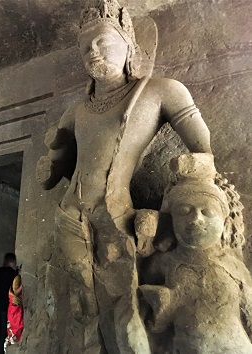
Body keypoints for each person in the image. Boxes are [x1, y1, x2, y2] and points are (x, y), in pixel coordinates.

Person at [36, 0, 212, 352]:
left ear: (129, 45)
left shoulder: (161, 91)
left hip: (114, 214)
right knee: (78, 305)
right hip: (69, 216)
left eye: (103, 41)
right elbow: (51, 176)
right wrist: (50, 163)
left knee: (123, 308)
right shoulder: (75, 111)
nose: (93, 51)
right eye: (85, 46)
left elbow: (203, 155)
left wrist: (167, 214)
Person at [139, 153, 252, 353]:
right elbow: (154, 325)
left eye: (207, 212)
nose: (196, 220)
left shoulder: (233, 266)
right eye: (184, 211)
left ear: (224, 220)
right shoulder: (164, 263)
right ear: (171, 220)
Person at [4, 270, 24, 349]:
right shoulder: (17, 278)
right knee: (17, 326)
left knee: (15, 327)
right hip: (14, 307)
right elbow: (15, 292)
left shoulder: (17, 278)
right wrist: (22, 287)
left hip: (14, 307)